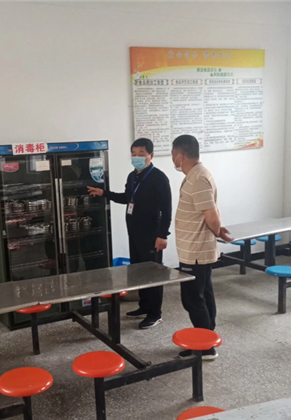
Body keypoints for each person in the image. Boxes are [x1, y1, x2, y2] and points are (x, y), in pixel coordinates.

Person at [88, 138, 172, 329]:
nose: (136, 157)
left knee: (153, 274)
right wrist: (104, 193)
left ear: (151, 155)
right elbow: (127, 198)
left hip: (152, 235)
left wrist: (163, 235)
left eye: (141, 153)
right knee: (139, 271)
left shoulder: (159, 178)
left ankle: (155, 313)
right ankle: (144, 306)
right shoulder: (133, 176)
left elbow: (166, 209)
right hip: (134, 233)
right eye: (133, 153)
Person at [171, 134, 232, 360]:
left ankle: (205, 347)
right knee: (204, 294)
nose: (173, 159)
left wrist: (218, 231)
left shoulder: (198, 179)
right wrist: (217, 230)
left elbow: (211, 215)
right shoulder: (196, 175)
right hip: (194, 249)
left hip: (195, 251)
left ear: (180, 156)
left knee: (193, 299)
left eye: (173, 155)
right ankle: (207, 338)